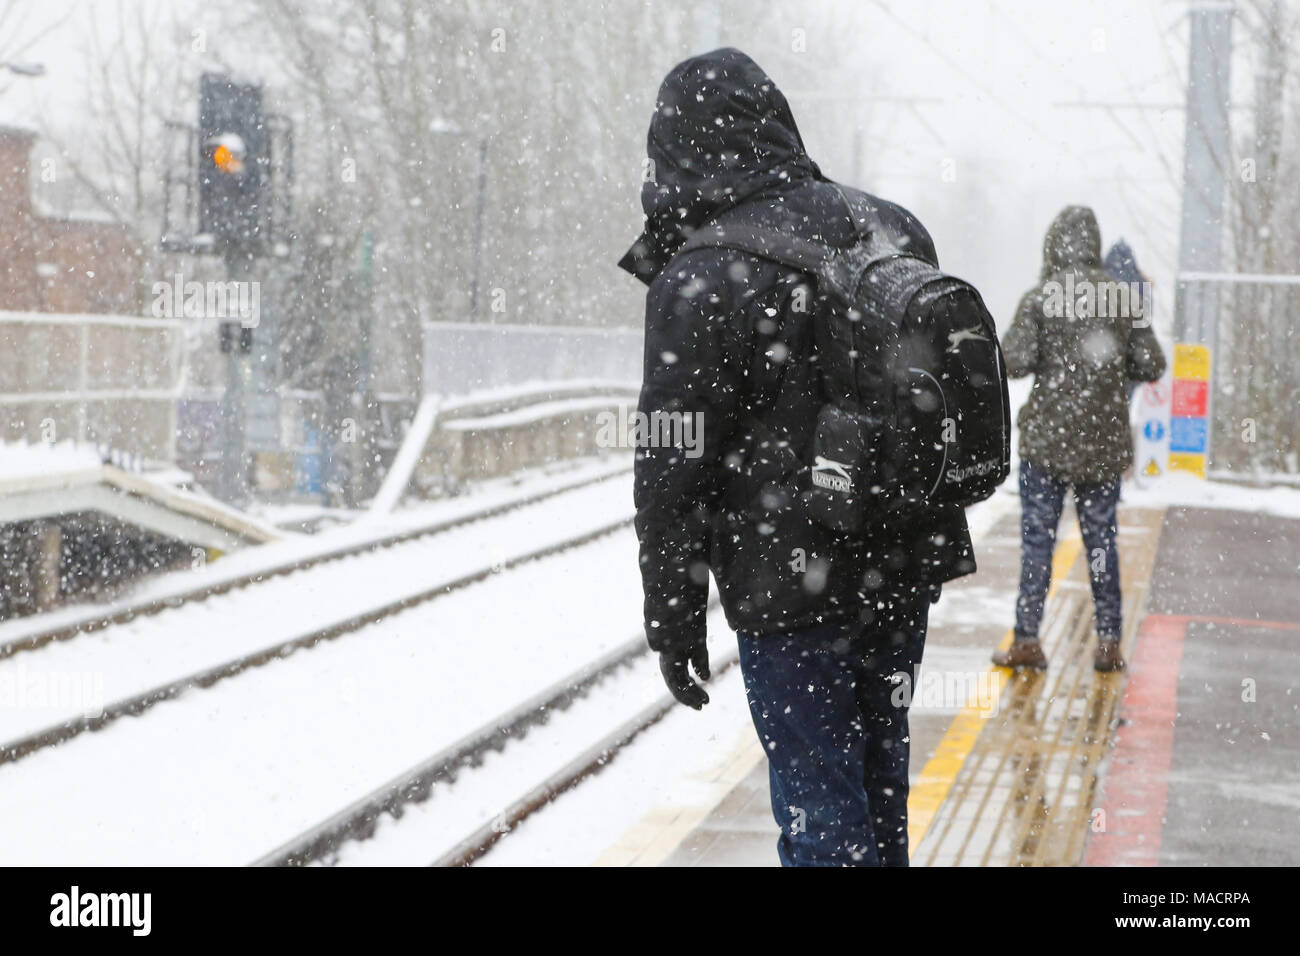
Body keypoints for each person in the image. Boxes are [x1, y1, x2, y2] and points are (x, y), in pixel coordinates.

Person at [618, 48, 975, 866]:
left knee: (821, 810)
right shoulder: (891, 227)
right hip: (900, 565)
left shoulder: (702, 271)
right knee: (883, 788)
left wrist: (673, 614)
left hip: (790, 589)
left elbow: (672, 467)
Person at [994, 208, 1166, 673]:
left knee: (1037, 542)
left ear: (1054, 245)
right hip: (1102, 444)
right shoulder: (1121, 298)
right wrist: (1109, 367)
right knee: (1101, 542)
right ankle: (1109, 643)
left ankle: (1027, 639)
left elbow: (1012, 360)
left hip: (1046, 444)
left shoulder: (1042, 298)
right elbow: (1152, 364)